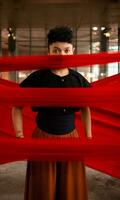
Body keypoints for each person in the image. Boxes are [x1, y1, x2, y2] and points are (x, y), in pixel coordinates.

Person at [12, 26, 92, 200]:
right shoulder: (38, 78)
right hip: (42, 139)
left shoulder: (78, 79)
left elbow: (86, 107)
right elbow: (16, 105)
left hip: (71, 139)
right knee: (43, 187)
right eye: (56, 50)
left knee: (70, 187)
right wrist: (19, 134)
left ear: (73, 52)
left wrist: (89, 136)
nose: (61, 54)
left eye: (66, 50)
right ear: (48, 51)